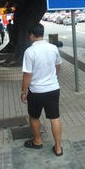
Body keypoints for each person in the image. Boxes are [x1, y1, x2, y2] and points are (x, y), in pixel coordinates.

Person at [21, 23, 63, 156]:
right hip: (53, 89)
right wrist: (51, 77)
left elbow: (27, 74)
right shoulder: (53, 48)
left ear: (32, 35)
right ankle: (58, 148)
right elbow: (58, 66)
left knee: (34, 117)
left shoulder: (30, 51)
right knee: (54, 117)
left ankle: (38, 141)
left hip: (36, 92)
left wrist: (23, 91)